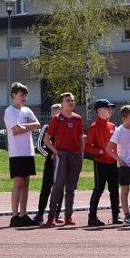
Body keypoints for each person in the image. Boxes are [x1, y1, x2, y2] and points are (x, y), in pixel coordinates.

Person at [43, 93, 84, 226]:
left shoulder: (78, 119)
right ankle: (51, 216)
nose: (71, 102)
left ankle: (68, 216)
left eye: (72, 100)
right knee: (58, 185)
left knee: (71, 187)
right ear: (62, 103)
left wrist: (81, 154)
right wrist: (56, 152)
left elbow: (80, 138)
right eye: (68, 100)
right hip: (62, 155)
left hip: (75, 155)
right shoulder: (57, 119)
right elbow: (46, 139)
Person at [4, 82, 41, 227]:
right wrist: (26, 127)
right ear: (14, 95)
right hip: (17, 153)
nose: (24, 97)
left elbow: (37, 124)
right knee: (18, 182)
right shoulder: (9, 111)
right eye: (21, 95)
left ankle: (23, 214)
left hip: (28, 151)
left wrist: (23, 127)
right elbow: (15, 130)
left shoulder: (27, 111)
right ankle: (14, 215)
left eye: (25, 95)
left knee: (26, 182)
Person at [84, 99, 120, 227]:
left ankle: (116, 216)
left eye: (111, 108)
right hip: (101, 163)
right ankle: (92, 217)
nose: (110, 110)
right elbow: (87, 146)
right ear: (99, 111)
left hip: (113, 162)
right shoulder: (94, 127)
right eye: (107, 108)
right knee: (99, 189)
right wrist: (98, 151)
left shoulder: (112, 126)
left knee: (114, 190)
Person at [34, 103, 63, 224]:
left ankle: (57, 213)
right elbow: (39, 145)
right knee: (46, 188)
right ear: (52, 114)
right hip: (50, 163)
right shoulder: (46, 127)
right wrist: (49, 155)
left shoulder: (65, 127)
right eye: (58, 113)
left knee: (60, 188)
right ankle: (40, 213)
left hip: (62, 163)